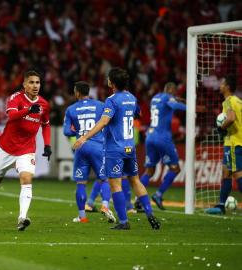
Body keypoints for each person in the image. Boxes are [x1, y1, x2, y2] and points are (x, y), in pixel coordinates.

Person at [73, 67, 160, 230]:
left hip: (115, 149)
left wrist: (84, 137)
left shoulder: (111, 100)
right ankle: (150, 213)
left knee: (115, 184)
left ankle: (123, 221)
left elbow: (104, 121)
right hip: (130, 147)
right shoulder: (132, 98)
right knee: (135, 180)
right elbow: (137, 114)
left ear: (111, 82)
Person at [0, 70, 52, 231]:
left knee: (26, 179)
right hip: (7, 148)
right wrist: (28, 110)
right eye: (31, 82)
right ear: (24, 85)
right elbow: (11, 117)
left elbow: (45, 124)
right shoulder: (15, 98)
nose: (35, 86)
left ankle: (22, 218)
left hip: (26, 149)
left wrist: (47, 144)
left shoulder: (44, 104)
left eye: (37, 83)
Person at [63, 81, 115, 223]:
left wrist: (77, 131)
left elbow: (66, 131)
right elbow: (108, 122)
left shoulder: (71, 109)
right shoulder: (100, 105)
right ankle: (105, 205)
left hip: (81, 146)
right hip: (98, 146)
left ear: (77, 93)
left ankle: (82, 217)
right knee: (104, 178)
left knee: (81, 182)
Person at [136, 82, 186, 211]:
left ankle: (138, 199)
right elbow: (175, 104)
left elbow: (169, 101)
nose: (175, 94)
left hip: (150, 136)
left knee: (149, 171)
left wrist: (176, 98)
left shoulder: (156, 97)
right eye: (174, 91)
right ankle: (158, 195)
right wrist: (191, 107)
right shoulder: (168, 97)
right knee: (175, 169)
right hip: (162, 138)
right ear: (169, 89)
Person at [206, 75, 242, 214]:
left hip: (233, 143)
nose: (220, 86)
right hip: (237, 141)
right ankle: (221, 205)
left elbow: (231, 118)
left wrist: (221, 128)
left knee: (238, 174)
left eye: (222, 84)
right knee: (226, 173)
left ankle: (221, 205)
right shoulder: (239, 101)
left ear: (227, 87)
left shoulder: (228, 101)